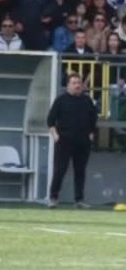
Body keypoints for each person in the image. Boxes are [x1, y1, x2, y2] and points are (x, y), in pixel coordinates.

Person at [47, 74, 98, 208]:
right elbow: (50, 120)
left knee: (80, 171)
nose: (77, 85)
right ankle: (53, 197)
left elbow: (93, 119)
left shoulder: (87, 100)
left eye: (79, 83)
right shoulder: (61, 100)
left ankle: (79, 199)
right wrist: (55, 135)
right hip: (64, 140)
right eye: (74, 83)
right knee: (60, 170)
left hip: (82, 141)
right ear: (68, 85)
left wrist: (91, 134)